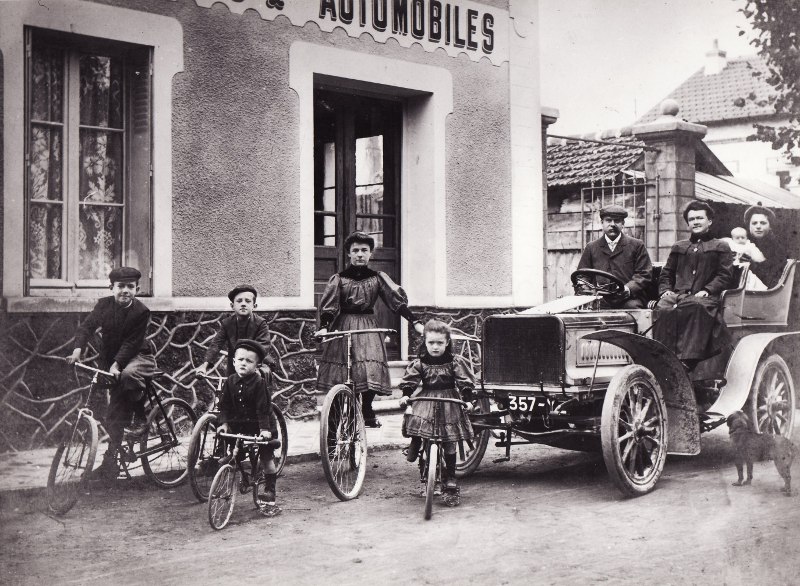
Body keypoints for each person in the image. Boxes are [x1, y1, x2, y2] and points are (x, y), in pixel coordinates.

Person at [316, 231, 425, 428]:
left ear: (370, 253)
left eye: (364, 250)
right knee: (345, 370)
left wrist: (414, 321)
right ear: (348, 253)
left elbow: (396, 303)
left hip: (368, 327)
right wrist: (324, 327)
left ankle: (367, 408)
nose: (359, 254)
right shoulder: (339, 279)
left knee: (371, 367)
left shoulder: (377, 278)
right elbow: (329, 306)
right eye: (355, 250)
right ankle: (337, 420)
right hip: (344, 324)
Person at [66, 266, 157, 480]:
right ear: (112, 287)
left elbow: (132, 343)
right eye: (120, 286)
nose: (125, 290)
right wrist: (77, 350)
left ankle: (140, 416)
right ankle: (111, 461)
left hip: (138, 357)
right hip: (113, 360)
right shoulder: (103, 305)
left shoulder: (141, 311)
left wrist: (116, 365)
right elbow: (86, 328)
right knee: (113, 413)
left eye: (130, 287)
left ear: (137, 289)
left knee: (126, 377)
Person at [398, 320, 475, 507]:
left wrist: (468, 399)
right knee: (419, 425)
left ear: (447, 342)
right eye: (431, 342)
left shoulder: (454, 362)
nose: (435, 347)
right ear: (425, 342)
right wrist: (406, 395)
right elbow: (411, 381)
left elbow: (464, 382)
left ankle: (450, 478)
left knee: (449, 442)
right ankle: (422, 464)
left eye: (440, 343)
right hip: (427, 400)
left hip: (449, 401)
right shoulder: (420, 363)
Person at [653, 201, 734, 372]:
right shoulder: (679, 246)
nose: (695, 222)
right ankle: (661, 356)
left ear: (709, 221)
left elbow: (724, 275)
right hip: (679, 295)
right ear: (687, 223)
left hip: (706, 297)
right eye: (691, 219)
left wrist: (707, 290)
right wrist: (665, 290)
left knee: (697, 306)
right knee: (663, 307)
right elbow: (666, 273)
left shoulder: (721, 246)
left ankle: (688, 361)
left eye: (700, 218)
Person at [217, 339, 280, 517]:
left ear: (257, 365)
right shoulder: (230, 381)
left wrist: (265, 430)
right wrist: (223, 423)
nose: (244, 363)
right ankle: (234, 458)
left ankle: (270, 492)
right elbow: (225, 406)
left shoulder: (259, 383)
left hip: (262, 425)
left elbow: (263, 409)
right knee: (229, 438)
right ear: (233, 362)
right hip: (242, 424)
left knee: (267, 458)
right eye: (241, 359)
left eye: (249, 361)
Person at [576, 205, 652, 309]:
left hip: (628, 299)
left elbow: (644, 274)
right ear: (602, 223)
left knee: (633, 310)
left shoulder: (636, 245)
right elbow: (582, 274)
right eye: (608, 220)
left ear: (623, 224)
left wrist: (628, 289)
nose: (612, 224)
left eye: (617, 221)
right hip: (599, 299)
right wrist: (585, 287)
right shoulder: (591, 247)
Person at [195, 284, 271, 376]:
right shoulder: (227, 323)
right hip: (235, 366)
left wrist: (253, 368)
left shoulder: (261, 323)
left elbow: (263, 346)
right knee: (230, 387)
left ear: (254, 306)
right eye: (239, 301)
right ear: (232, 306)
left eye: (248, 301)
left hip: (257, 366)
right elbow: (216, 345)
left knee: (257, 383)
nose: (243, 304)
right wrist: (204, 366)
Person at [743, 204, 787, 289]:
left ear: (770, 226)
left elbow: (773, 282)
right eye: (754, 223)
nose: (758, 226)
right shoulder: (744, 243)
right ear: (749, 226)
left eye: (763, 223)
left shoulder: (777, 248)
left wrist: (756, 263)